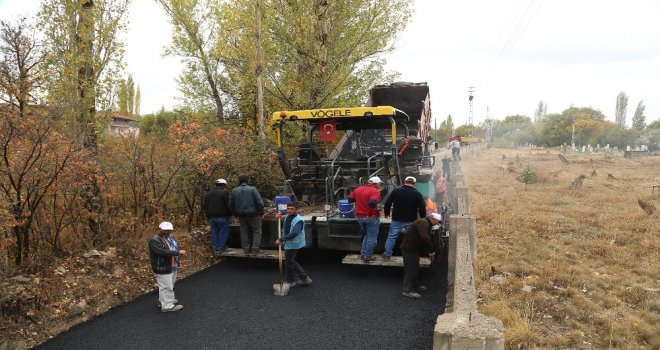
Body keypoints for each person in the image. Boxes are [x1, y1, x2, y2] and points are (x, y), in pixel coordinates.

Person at [382, 176, 425, 261]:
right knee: (411, 237)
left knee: (391, 237)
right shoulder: (418, 194)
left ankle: (387, 255)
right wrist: (423, 218)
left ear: (404, 182)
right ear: (414, 184)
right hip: (411, 220)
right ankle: (410, 255)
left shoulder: (396, 191)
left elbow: (387, 203)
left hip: (397, 219)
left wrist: (386, 213)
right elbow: (422, 208)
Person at [400, 213, 441, 299]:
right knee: (410, 270)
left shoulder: (425, 223)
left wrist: (428, 252)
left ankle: (415, 285)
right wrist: (431, 251)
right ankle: (407, 290)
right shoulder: (422, 223)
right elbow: (425, 238)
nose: (438, 223)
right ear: (432, 218)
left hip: (413, 249)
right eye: (438, 221)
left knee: (414, 269)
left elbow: (423, 239)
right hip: (409, 249)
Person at [149, 221, 186, 312]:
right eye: (165, 230)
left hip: (171, 265)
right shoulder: (154, 240)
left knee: (170, 285)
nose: (167, 232)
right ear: (160, 229)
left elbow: (173, 247)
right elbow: (161, 252)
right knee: (166, 286)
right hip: (162, 266)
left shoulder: (168, 238)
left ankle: (164, 301)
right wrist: (177, 252)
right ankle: (167, 306)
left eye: (169, 230)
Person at [276, 202, 312, 289]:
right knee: (290, 261)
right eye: (288, 208)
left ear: (297, 209)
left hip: (293, 243)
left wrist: (281, 239)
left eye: (292, 209)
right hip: (289, 242)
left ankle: (291, 281)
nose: (289, 210)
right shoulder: (288, 216)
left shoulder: (298, 220)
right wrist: (279, 217)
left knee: (289, 262)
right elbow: (285, 224)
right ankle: (304, 278)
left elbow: (295, 233)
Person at [348, 176, 383, 263]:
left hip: (359, 217)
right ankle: (368, 257)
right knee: (372, 238)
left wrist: (360, 202)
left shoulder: (358, 189)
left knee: (367, 235)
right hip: (371, 218)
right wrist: (371, 213)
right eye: (379, 184)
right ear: (375, 184)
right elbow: (372, 203)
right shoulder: (375, 191)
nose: (380, 185)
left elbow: (350, 200)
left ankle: (363, 254)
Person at [229, 175, 265, 254]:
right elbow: (260, 203)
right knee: (256, 231)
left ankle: (246, 249)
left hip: (241, 215)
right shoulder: (253, 189)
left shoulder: (234, 190)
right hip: (253, 214)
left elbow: (231, 205)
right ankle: (255, 249)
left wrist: (235, 215)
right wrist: (261, 212)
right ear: (248, 180)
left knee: (244, 231)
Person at [204, 178, 232, 254]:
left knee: (214, 232)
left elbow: (205, 206)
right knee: (223, 232)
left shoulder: (208, 193)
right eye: (225, 185)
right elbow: (228, 205)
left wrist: (207, 216)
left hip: (211, 217)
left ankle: (216, 248)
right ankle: (221, 248)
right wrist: (232, 213)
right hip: (222, 216)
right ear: (223, 185)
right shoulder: (224, 193)